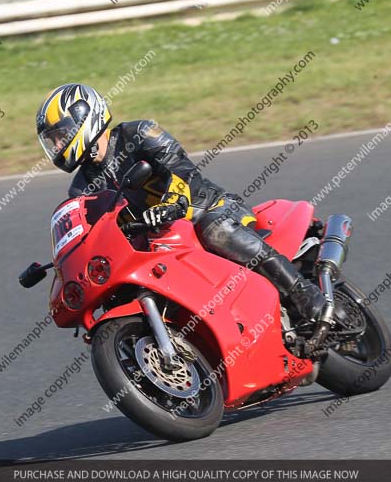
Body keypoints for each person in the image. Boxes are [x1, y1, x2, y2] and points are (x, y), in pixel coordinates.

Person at [36, 83, 324, 327]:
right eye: (53, 141)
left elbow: (180, 168)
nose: (58, 145)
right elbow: (89, 229)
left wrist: (172, 203)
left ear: (84, 117)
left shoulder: (139, 133)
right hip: (160, 240)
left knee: (216, 231)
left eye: (61, 135)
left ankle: (301, 292)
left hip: (207, 208)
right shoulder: (80, 186)